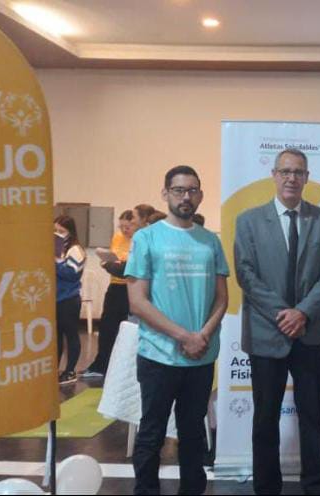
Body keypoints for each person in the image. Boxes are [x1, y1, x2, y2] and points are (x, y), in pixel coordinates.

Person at [234, 148, 320, 495]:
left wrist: (302, 312)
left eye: (298, 172)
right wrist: (284, 314)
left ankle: (315, 487)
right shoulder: (248, 221)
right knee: (265, 420)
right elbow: (246, 275)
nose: (291, 178)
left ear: (307, 178)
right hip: (267, 334)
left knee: (313, 420)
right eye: (285, 171)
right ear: (274, 175)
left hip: (309, 334)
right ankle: (266, 488)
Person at [126, 165, 229, 495]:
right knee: (152, 434)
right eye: (179, 190)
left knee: (193, 434)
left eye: (192, 191)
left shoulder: (210, 241)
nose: (186, 196)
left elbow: (222, 298)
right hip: (159, 356)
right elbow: (137, 302)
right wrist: (184, 336)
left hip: (200, 357)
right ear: (165, 194)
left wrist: (203, 335)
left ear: (200, 195)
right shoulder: (146, 238)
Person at [82, 210, 137, 378]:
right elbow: (115, 261)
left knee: (128, 330)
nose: (124, 230)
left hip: (130, 288)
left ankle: (124, 370)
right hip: (115, 286)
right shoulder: (117, 237)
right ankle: (101, 365)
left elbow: (129, 267)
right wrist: (109, 263)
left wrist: (116, 265)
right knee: (107, 327)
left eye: (127, 227)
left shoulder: (139, 240)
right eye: (121, 226)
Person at [55, 215, 86, 385]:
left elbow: (72, 274)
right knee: (57, 336)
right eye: (55, 230)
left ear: (70, 232)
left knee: (71, 334)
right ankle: (56, 368)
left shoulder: (75, 250)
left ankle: (70, 370)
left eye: (61, 231)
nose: (58, 234)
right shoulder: (57, 248)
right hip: (56, 298)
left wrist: (57, 262)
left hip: (69, 298)